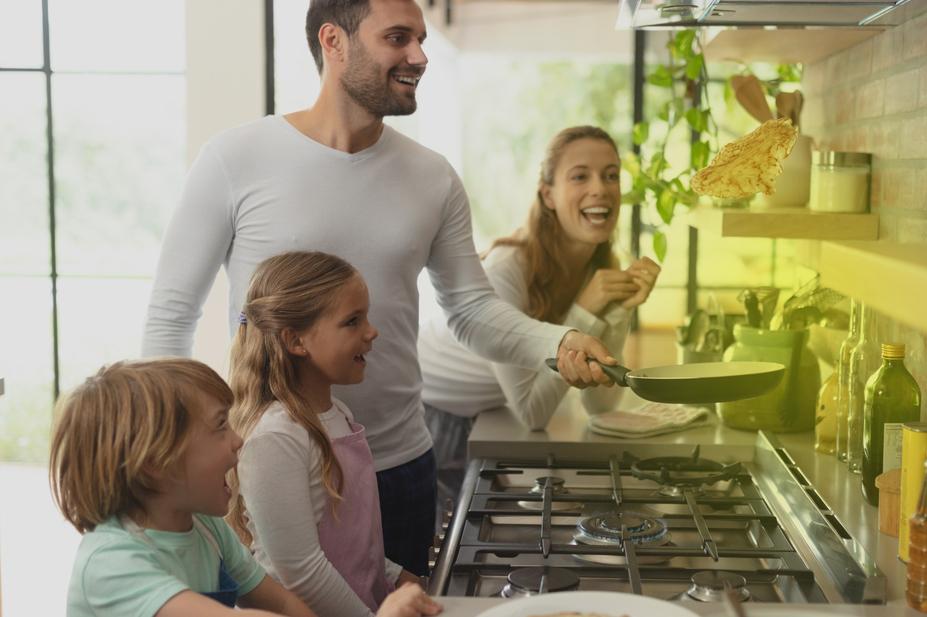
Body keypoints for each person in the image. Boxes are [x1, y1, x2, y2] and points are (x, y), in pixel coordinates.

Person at [141, 0, 614, 576]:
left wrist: (558, 341)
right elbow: (171, 316)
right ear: (333, 41)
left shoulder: (433, 176)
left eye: (420, 39)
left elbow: (469, 309)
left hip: (398, 465)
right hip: (269, 469)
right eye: (398, 38)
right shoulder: (235, 158)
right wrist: (179, 446)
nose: (418, 56)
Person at [417, 126, 660, 521]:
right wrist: (585, 310)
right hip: (437, 422)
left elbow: (600, 403)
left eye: (611, 175)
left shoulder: (596, 269)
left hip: (496, 415)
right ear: (547, 194)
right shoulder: (507, 269)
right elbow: (533, 413)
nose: (601, 188)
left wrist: (619, 309)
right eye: (580, 176)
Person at [227, 251, 441, 617]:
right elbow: (301, 570)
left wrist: (396, 574)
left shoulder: (337, 413)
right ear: (296, 341)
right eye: (353, 322)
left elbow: (352, 541)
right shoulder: (276, 437)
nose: (372, 332)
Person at [48, 358, 318, 617]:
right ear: (156, 462)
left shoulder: (208, 528)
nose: (238, 440)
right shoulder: (110, 562)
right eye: (220, 425)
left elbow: (281, 604)